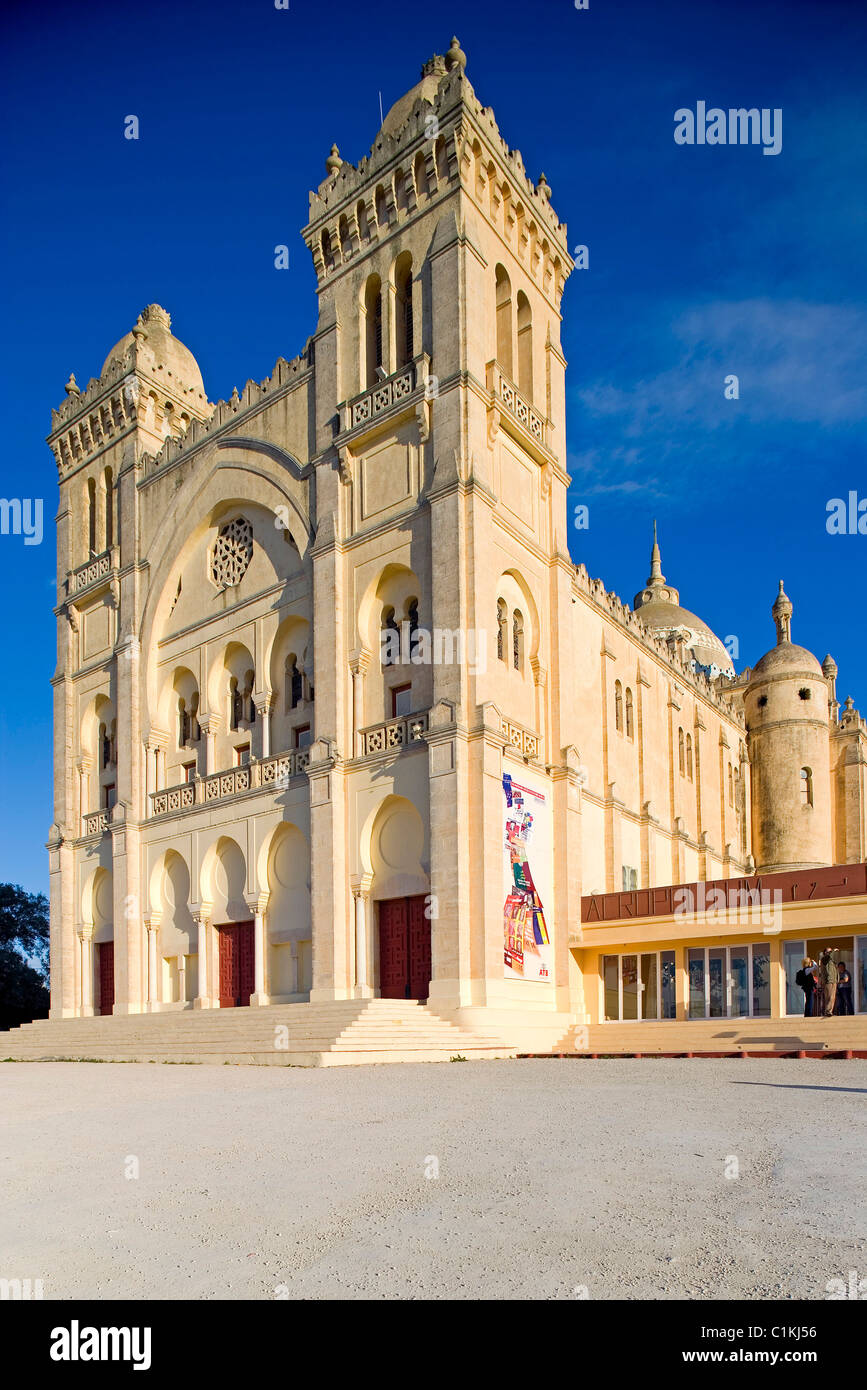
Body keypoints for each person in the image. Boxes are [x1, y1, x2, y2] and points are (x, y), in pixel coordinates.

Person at [818, 948, 838, 1018]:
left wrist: (836, 979)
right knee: (829, 996)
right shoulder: (824, 959)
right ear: (825, 953)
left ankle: (829, 1011)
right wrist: (833, 951)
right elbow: (828, 957)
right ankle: (828, 1011)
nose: (830, 952)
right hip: (828, 980)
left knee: (832, 997)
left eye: (830, 951)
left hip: (833, 980)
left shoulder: (831, 960)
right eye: (829, 951)